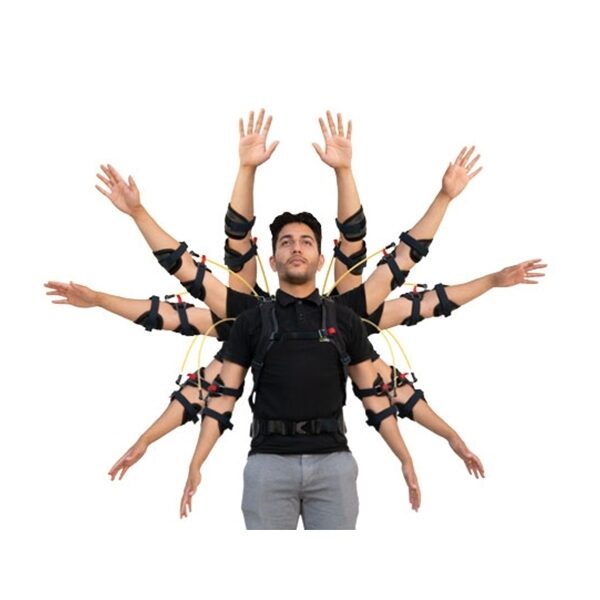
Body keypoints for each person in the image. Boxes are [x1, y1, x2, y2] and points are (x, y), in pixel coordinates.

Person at [180, 211, 420, 529]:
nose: (296, 248)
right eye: (286, 242)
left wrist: (405, 458)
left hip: (333, 463)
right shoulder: (250, 322)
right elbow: (222, 399)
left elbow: (374, 398)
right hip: (268, 463)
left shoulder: (345, 320)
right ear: (272, 261)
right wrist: (196, 463)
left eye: (306, 242)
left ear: (320, 260)